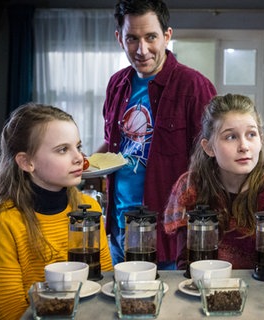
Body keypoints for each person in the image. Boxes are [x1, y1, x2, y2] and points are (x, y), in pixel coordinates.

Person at [97, 0, 217, 268]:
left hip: (168, 236)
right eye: (132, 38)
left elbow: (212, 161)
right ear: (119, 38)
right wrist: (81, 164)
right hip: (119, 228)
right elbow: (112, 144)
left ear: (167, 36)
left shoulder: (195, 86)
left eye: (151, 37)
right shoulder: (117, 84)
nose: (142, 50)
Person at [0, 103, 113, 320]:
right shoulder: (2, 222)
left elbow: (105, 282)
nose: (79, 158)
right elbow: (10, 312)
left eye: (78, 146)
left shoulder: (89, 208)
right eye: (62, 149)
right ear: (26, 162)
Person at [164, 94, 264, 270]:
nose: (244, 146)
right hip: (203, 290)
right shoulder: (190, 186)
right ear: (208, 147)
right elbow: (185, 263)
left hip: (261, 293)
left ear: (261, 140)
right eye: (231, 137)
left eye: (251, 134)